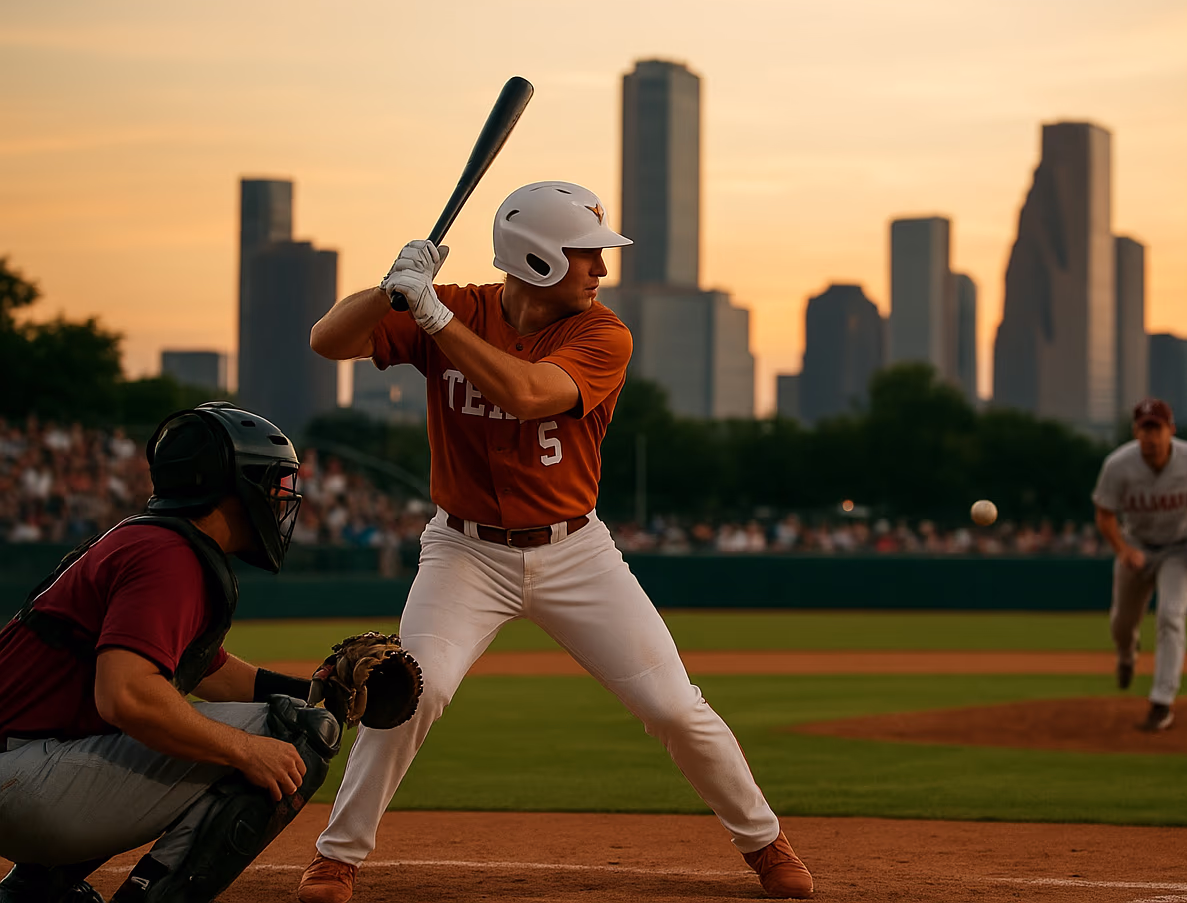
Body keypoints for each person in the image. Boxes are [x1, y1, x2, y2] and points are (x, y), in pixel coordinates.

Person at [302, 181, 814, 902]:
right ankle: (336, 857)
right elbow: (327, 340)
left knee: (672, 705)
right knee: (413, 689)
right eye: (587, 256)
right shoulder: (452, 306)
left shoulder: (602, 332)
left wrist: (434, 315)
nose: (601, 270)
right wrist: (389, 288)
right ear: (537, 259)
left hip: (576, 551)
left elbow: (528, 393)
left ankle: (766, 844)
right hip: (465, 551)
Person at [0, 404, 340, 903]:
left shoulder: (147, 539)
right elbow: (125, 695)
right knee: (292, 733)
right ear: (230, 485)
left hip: (22, 769)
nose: (276, 499)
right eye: (268, 483)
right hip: (25, 782)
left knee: (290, 714)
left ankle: (35, 893)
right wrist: (247, 747)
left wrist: (318, 691)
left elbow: (209, 670)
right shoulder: (170, 555)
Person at [1092, 398, 1187, 731]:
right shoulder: (1118, 465)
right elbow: (1104, 514)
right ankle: (1127, 656)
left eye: (1156, 428)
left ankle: (1162, 702)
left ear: (1171, 430)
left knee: (1171, 616)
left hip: (1182, 550)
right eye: (1144, 429)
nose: (1150, 436)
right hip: (1137, 547)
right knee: (1121, 622)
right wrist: (1123, 550)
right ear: (1135, 432)